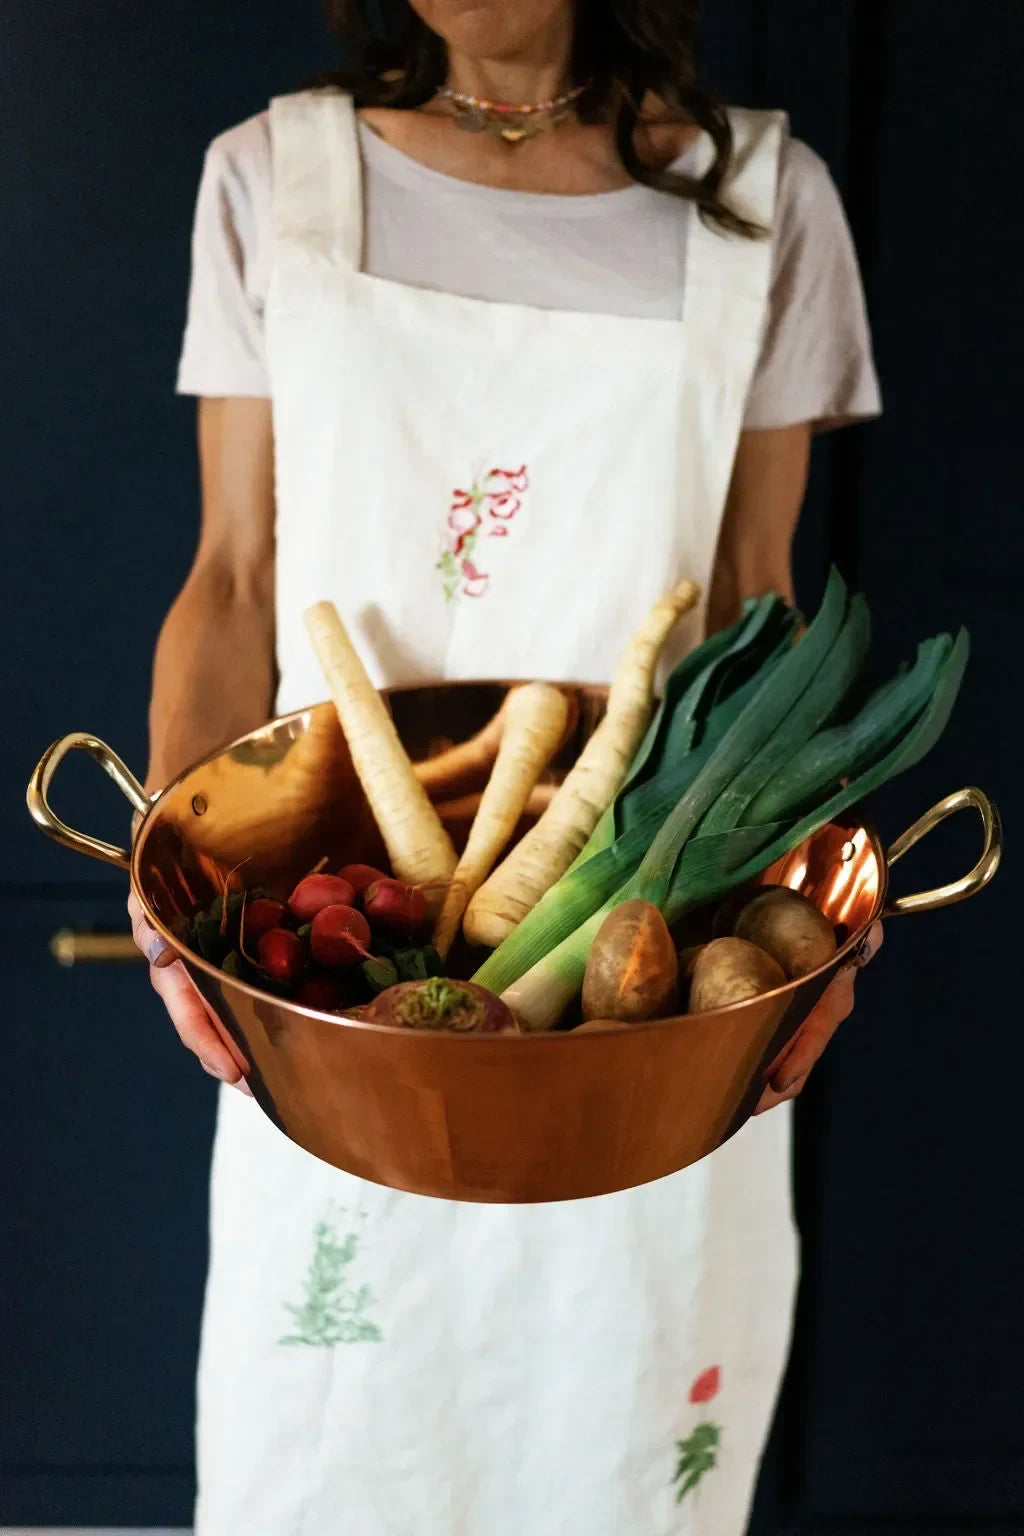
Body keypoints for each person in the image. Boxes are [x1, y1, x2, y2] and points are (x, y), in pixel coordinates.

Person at [130, 2, 883, 1530]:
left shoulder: (764, 200)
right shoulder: (272, 179)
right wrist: (170, 877)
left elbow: (757, 609)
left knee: (618, 1439)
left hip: (652, 990)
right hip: (341, 976)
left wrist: (815, 935)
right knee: (338, 1442)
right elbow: (232, 577)